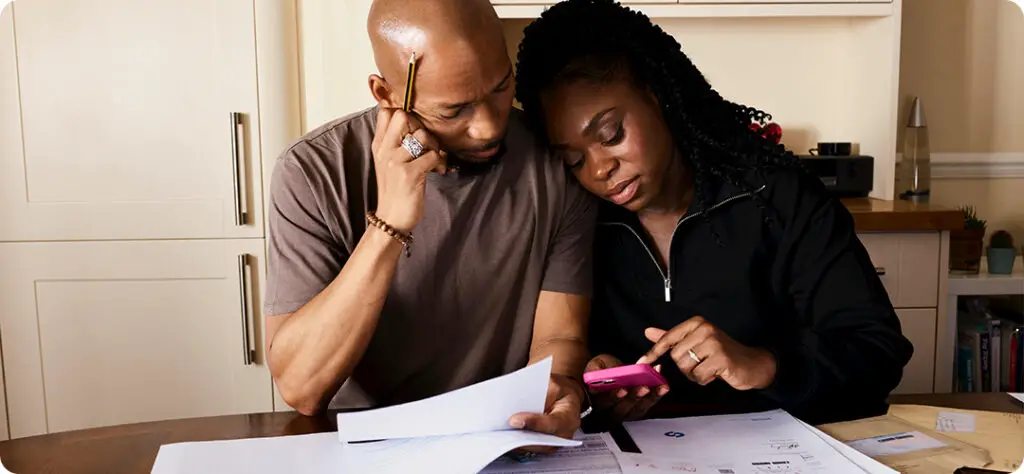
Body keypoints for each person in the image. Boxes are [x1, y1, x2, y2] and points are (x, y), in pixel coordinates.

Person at [513, 0, 914, 426]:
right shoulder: (579, 223)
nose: (598, 170)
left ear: (658, 97)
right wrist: (599, 382)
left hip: (783, 449)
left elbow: (878, 355)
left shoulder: (776, 198)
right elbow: (570, 358)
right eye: (573, 160)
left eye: (611, 135)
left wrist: (762, 365)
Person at [262, 0, 596, 443]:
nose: (488, 127)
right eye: (454, 110)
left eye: (500, 88)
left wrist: (560, 389)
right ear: (385, 94)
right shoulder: (312, 172)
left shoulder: (554, 159)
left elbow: (559, 338)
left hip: (502, 435)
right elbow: (302, 388)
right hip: (365, 445)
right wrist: (390, 223)